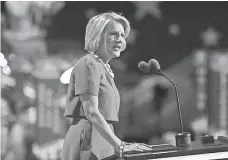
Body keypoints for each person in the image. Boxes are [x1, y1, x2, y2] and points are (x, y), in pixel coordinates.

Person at [62, 12, 150, 160]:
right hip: (88, 141)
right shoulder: (88, 64)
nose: (120, 40)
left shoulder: (104, 67)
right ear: (97, 36)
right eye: (114, 34)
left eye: (122, 35)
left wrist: (119, 144)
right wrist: (121, 145)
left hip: (104, 140)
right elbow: (91, 112)